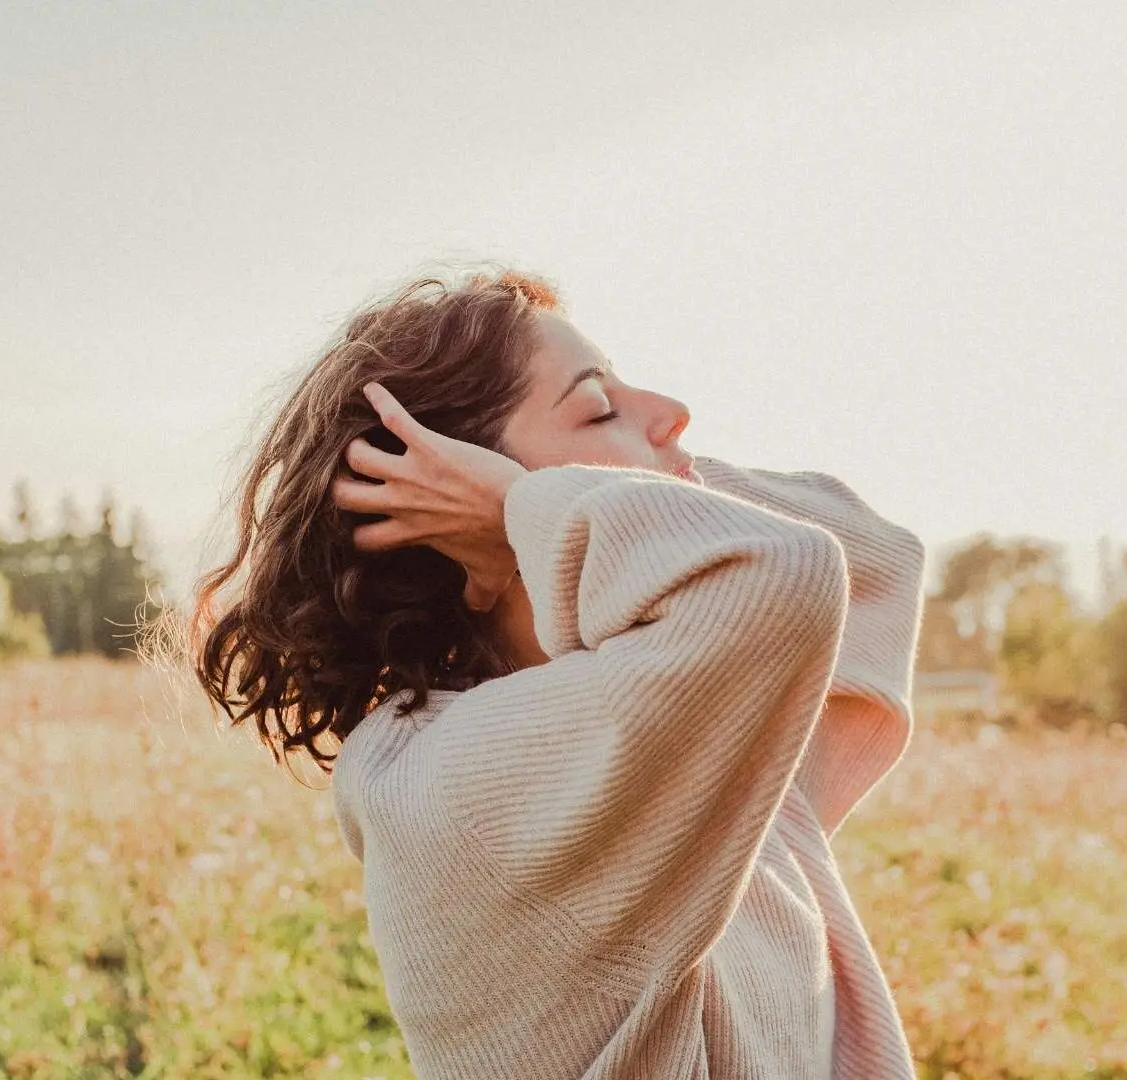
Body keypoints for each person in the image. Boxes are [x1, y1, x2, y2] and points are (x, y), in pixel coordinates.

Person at [188, 266, 927, 1078]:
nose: (671, 413)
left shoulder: (688, 700)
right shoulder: (453, 784)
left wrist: (626, 475)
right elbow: (786, 572)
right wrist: (522, 506)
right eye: (599, 407)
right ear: (455, 520)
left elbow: (879, 557)